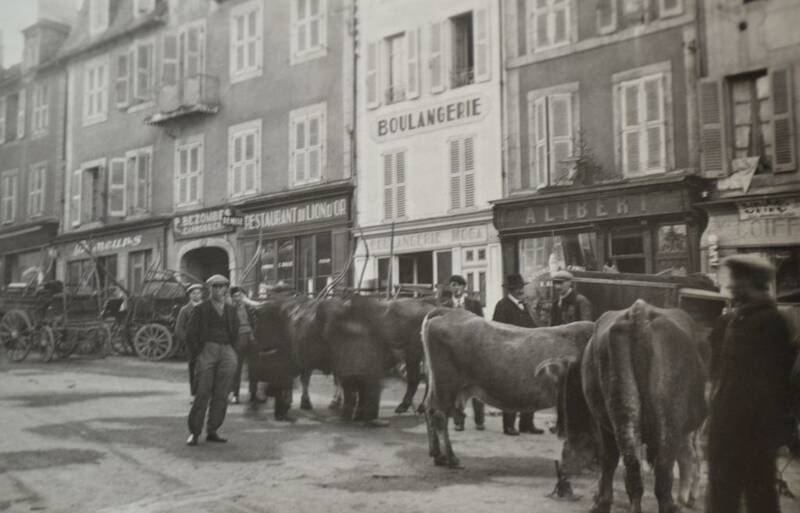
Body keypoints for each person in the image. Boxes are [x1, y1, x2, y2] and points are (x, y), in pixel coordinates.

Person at [706, 255, 798, 513]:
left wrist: (741, 429)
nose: (732, 286)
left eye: (737, 280)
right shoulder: (738, 319)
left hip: (750, 433)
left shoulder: (769, 322)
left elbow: (770, 384)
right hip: (730, 430)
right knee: (726, 498)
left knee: (759, 498)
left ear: (751, 283)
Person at [185, 274, 239, 446]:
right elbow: (190, 334)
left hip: (226, 350)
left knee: (222, 393)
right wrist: (199, 353)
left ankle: (213, 429)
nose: (218, 290)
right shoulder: (201, 308)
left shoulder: (231, 310)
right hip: (207, 350)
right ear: (209, 289)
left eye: (222, 286)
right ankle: (194, 432)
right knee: (202, 392)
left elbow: (236, 331)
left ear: (226, 288)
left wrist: (232, 351)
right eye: (215, 286)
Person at [492, 273, 543, 436]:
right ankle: (509, 425)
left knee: (531, 389)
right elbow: (497, 331)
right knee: (511, 391)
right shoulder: (502, 306)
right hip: (511, 355)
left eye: (522, 287)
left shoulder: (525, 305)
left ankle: (527, 424)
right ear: (510, 290)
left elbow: (533, 327)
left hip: (528, 354)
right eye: (517, 288)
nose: (521, 290)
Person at [442, 274, 485, 432]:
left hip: (473, 350)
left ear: (463, 287)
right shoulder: (445, 306)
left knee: (477, 385)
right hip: (453, 352)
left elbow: (483, 326)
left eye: (459, 285)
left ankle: (480, 420)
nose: (456, 288)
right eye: (453, 285)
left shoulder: (474, 304)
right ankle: (459, 421)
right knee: (457, 388)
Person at [229, 286, 257, 405]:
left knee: (254, 367)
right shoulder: (229, 310)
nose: (238, 298)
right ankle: (235, 394)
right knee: (237, 368)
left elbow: (255, 322)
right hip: (238, 339)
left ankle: (253, 394)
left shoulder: (249, 308)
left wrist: (254, 335)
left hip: (251, 337)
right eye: (235, 296)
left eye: (240, 296)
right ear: (232, 298)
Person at [175, 283, 204, 397]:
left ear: (202, 294)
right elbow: (178, 329)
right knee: (194, 369)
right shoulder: (185, 310)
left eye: (198, 293)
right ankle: (194, 393)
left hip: (206, 343)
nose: (196, 295)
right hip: (192, 344)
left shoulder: (207, 307)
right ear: (189, 296)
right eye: (193, 293)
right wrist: (187, 341)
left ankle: (205, 392)